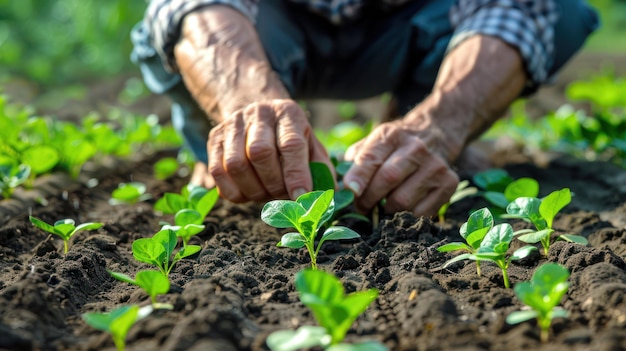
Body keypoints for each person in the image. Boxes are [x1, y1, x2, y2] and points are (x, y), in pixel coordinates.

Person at [131, 0, 598, 217]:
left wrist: (440, 125)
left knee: (563, 14)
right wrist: (247, 102)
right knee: (186, 27)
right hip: (275, 24)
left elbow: (517, 8)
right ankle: (217, 142)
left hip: (406, 23)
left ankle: (417, 138)